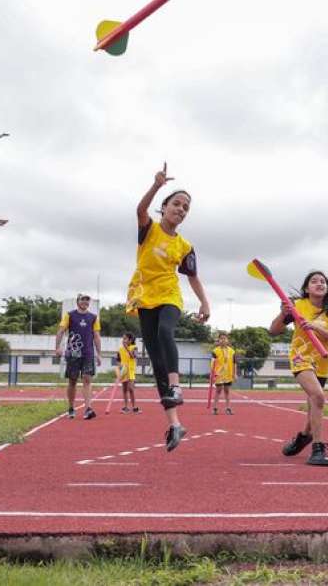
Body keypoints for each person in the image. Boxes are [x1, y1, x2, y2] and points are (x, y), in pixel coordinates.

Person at [126, 163, 211, 451]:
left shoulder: (185, 246)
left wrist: (204, 302)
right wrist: (156, 185)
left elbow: (193, 277)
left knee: (165, 332)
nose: (181, 209)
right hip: (143, 297)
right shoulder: (149, 229)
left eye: (186, 207)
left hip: (170, 296)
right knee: (157, 363)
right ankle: (175, 424)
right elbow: (139, 210)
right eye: (177, 204)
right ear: (164, 207)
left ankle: (176, 385)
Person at [269, 270, 328, 466]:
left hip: (322, 362)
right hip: (301, 358)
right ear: (307, 288)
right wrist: (283, 313)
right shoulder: (297, 306)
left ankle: (305, 436)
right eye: (314, 281)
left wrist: (315, 327)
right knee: (318, 397)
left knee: (314, 406)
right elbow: (274, 331)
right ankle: (317, 449)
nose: (320, 283)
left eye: (323, 281)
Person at [55, 294, 101, 420]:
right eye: (83, 299)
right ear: (77, 302)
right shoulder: (69, 315)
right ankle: (71, 407)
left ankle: (88, 408)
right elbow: (61, 331)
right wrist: (57, 347)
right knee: (72, 381)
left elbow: (96, 336)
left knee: (87, 379)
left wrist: (99, 354)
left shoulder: (93, 317)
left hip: (88, 353)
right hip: (73, 353)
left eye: (87, 300)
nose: (85, 302)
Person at [210, 332, 236, 415]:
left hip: (228, 373)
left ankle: (228, 408)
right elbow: (212, 363)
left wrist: (234, 373)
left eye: (224, 338)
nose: (223, 340)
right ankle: (215, 408)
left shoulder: (232, 351)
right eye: (221, 338)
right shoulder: (215, 351)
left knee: (227, 391)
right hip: (219, 374)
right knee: (218, 390)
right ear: (218, 340)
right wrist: (213, 374)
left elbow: (235, 363)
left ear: (227, 340)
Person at [118, 333, 139, 414]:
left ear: (130, 340)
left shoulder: (134, 347)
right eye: (123, 339)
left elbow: (133, 356)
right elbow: (118, 360)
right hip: (123, 371)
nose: (123, 340)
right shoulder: (120, 349)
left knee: (131, 389)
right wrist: (119, 368)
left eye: (125, 339)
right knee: (124, 389)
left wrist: (127, 348)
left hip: (130, 370)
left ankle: (134, 407)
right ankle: (126, 407)